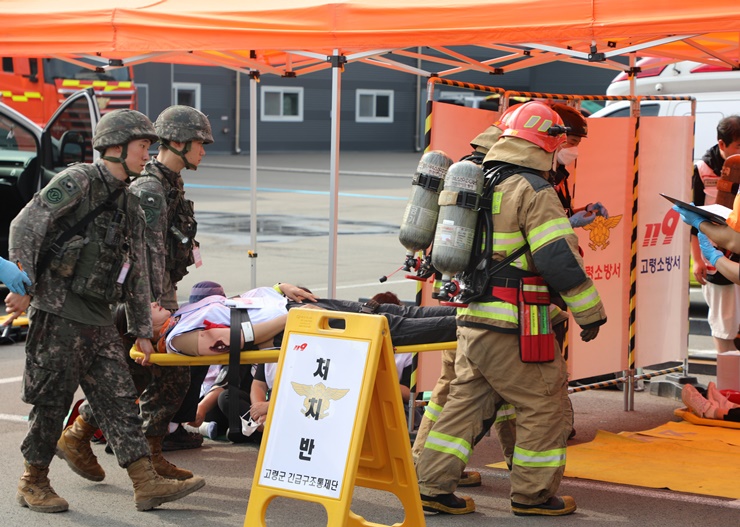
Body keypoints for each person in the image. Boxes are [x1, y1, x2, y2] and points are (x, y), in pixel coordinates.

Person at [5, 109, 205, 513]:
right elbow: (26, 225)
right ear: (115, 147)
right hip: (58, 313)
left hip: (98, 320)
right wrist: (21, 282)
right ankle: (33, 480)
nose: (147, 153)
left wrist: (143, 331)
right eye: (142, 145)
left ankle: (145, 482)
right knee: (52, 403)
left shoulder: (130, 201)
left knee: (120, 401)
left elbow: (136, 273)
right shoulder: (79, 180)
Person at [415, 101, 607, 517]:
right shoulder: (532, 190)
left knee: (464, 404)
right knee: (544, 404)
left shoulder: (480, 178)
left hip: (472, 318)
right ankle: (533, 495)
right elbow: (558, 258)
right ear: (546, 143)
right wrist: (590, 312)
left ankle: (431, 486)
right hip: (515, 323)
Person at [684, 115, 740, 357]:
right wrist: (698, 259)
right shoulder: (702, 170)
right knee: (724, 324)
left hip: (735, 248)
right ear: (722, 144)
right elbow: (694, 220)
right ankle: (727, 375)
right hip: (718, 253)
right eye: (738, 146)